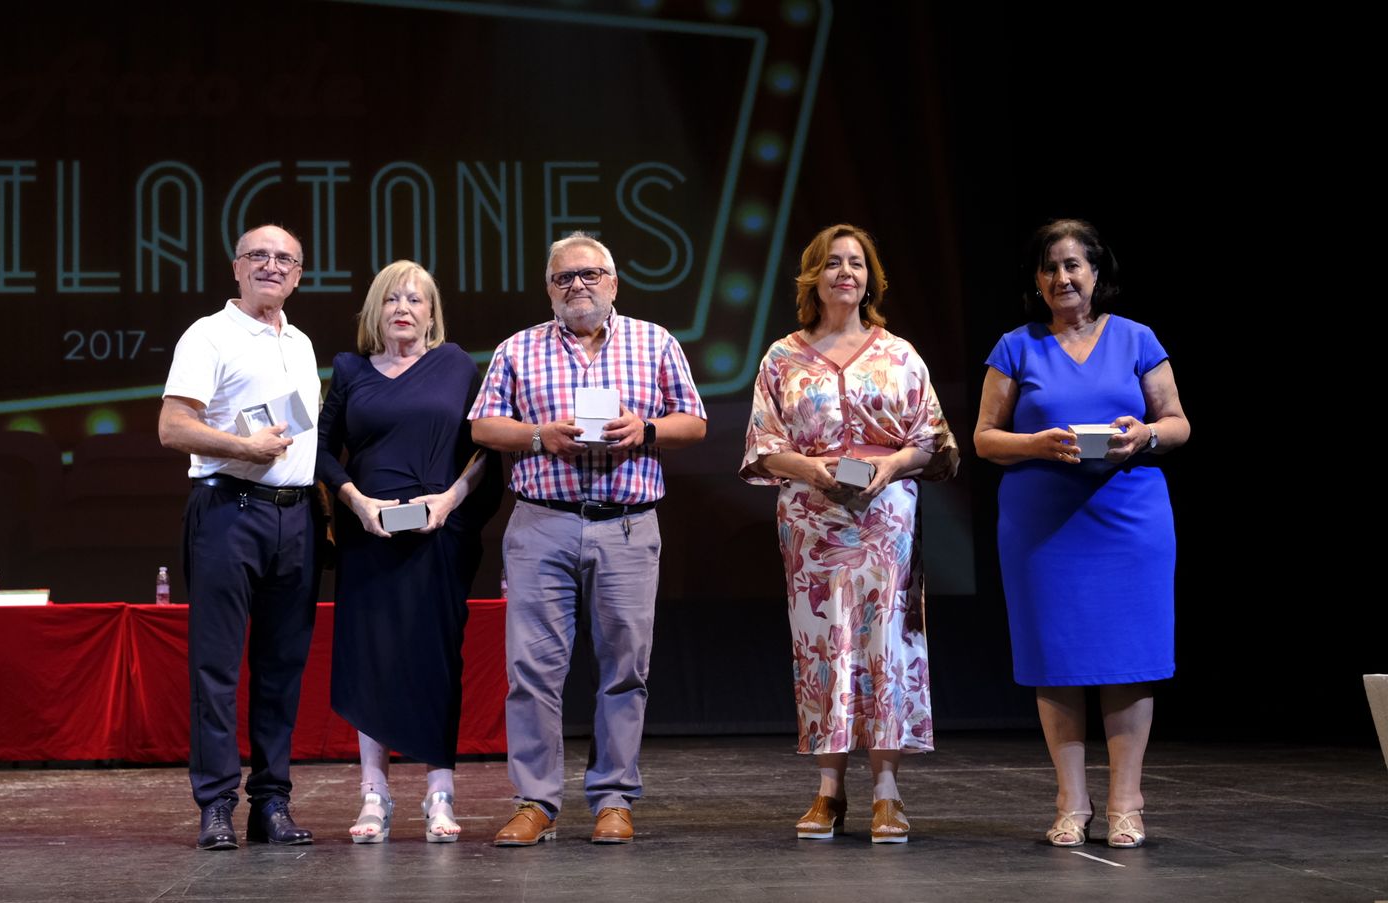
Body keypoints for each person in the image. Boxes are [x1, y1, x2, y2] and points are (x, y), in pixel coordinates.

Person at [469, 231, 707, 846]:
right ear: (549, 289)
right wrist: (536, 435)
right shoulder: (517, 350)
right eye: (564, 277)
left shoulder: (655, 342)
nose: (578, 285)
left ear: (614, 281)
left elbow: (695, 421)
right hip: (541, 522)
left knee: (626, 667)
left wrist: (646, 427)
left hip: (627, 523)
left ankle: (613, 798)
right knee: (532, 671)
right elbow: (483, 425)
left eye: (590, 274)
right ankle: (535, 803)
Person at [973, 219, 1189, 849]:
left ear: (1097, 272)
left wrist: (1141, 435)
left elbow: (1176, 423)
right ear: (1037, 282)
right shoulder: (1016, 346)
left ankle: (1127, 801)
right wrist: (1036, 443)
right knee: (1058, 658)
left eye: (1073, 265)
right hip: (1044, 520)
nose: (1062, 277)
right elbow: (986, 438)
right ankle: (1072, 800)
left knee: (1129, 659)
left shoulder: (1136, 338)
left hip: (1129, 515)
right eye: (1049, 267)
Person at [740, 223, 958, 844]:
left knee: (884, 643)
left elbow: (932, 439)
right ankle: (829, 791)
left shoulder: (899, 354)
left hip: (886, 513)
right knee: (823, 646)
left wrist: (889, 465)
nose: (845, 273)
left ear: (870, 278)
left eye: (856, 264)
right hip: (811, 518)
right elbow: (761, 446)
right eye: (832, 263)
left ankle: (887, 793)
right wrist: (810, 469)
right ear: (814, 276)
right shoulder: (782, 358)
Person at [315, 260, 498, 843]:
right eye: (392, 299)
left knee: (434, 661)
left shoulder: (455, 365)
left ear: (431, 313)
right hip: (369, 539)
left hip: (437, 538)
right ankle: (375, 795)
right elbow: (319, 449)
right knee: (372, 659)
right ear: (376, 310)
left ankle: (439, 792)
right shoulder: (348, 370)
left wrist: (449, 499)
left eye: (416, 301)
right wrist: (356, 501)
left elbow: (487, 448)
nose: (404, 309)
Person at [159, 224, 323, 851]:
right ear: (236, 267)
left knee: (282, 669)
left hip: (295, 516)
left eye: (286, 259)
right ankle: (217, 804)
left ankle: (272, 804)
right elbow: (173, 427)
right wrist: (243, 446)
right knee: (216, 667)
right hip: (230, 510)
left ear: (299, 274)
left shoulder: (303, 343)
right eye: (260, 255)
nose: (273, 266)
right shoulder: (209, 334)